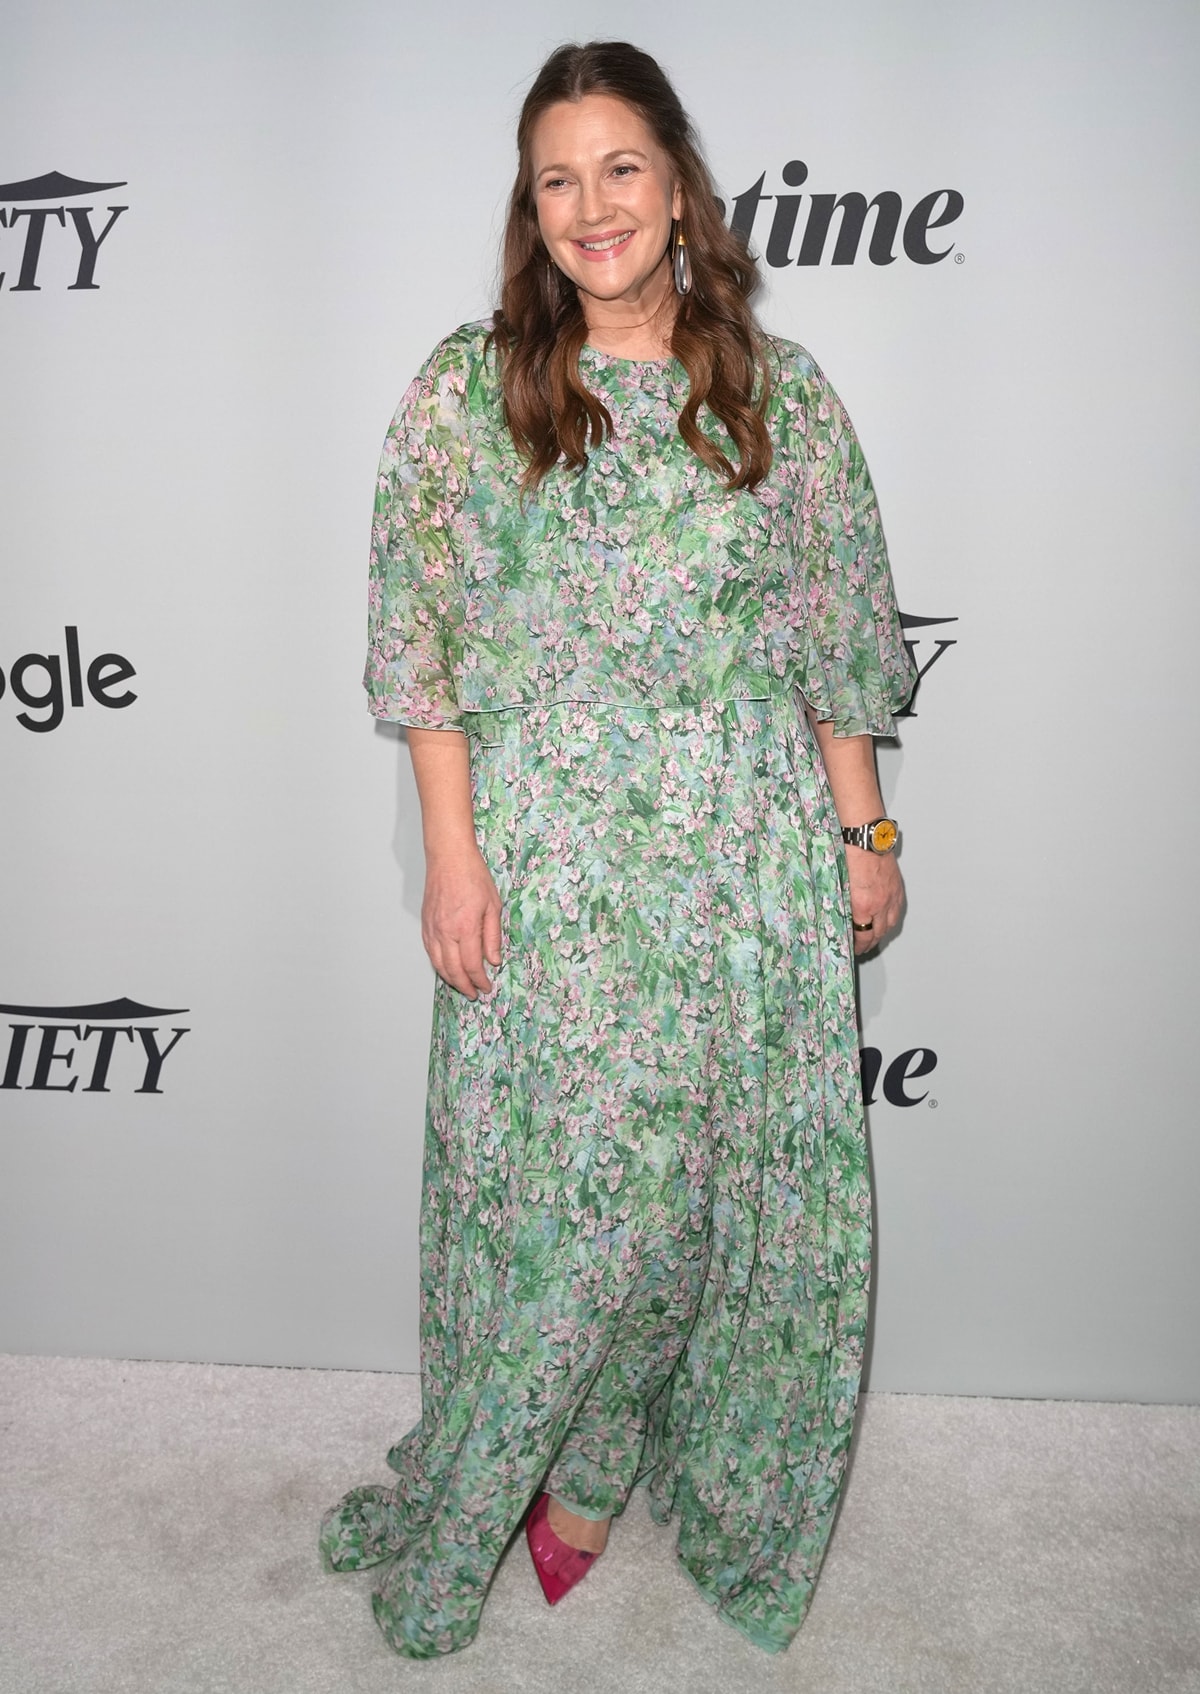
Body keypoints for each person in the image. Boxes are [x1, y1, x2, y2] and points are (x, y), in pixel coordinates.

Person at [320, 39, 916, 1660]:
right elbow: (423, 648)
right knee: (563, 1195)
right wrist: (454, 860)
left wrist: (864, 833)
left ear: (679, 186)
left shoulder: (777, 395)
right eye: (556, 178)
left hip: (741, 848)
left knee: (699, 1197)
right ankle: (520, 1467)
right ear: (532, 204)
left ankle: (594, 1476)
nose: (591, 208)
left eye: (621, 169)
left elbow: (831, 637)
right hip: (553, 854)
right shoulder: (474, 385)